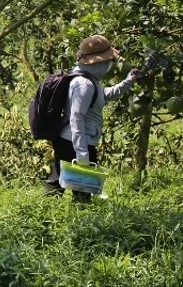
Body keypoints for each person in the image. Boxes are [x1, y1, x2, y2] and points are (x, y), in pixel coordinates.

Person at [44, 34, 141, 201]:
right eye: (108, 61)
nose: (110, 65)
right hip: (76, 141)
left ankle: (46, 216)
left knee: (60, 179)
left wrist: (128, 81)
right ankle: (75, 221)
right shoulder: (85, 84)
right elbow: (76, 117)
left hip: (70, 139)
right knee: (80, 187)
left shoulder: (87, 80)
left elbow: (102, 95)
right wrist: (81, 152)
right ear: (98, 63)